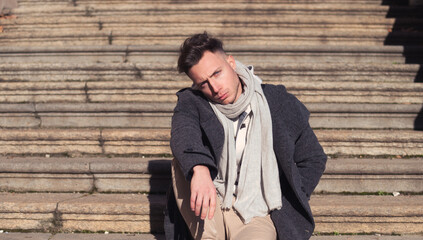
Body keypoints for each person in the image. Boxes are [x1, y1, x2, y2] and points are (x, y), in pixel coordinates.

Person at [164, 32, 327, 240]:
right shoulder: (193, 103)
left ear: (231, 62)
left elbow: (313, 157)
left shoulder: (277, 102)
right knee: (184, 162)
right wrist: (200, 169)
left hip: (255, 210)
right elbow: (184, 134)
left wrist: (289, 196)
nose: (215, 88)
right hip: (210, 203)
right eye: (203, 83)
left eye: (216, 73)